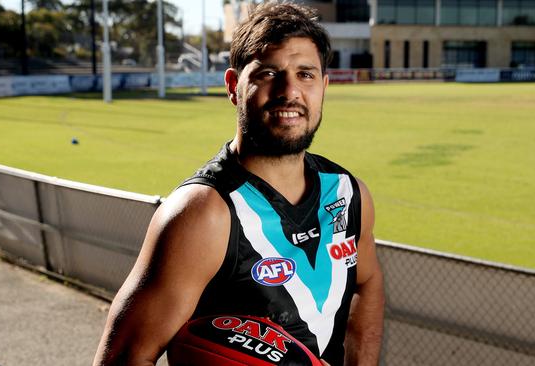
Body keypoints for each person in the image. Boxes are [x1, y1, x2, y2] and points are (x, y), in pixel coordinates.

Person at [92, 2, 384, 365]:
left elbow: (367, 284)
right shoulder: (202, 214)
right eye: (268, 73)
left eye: (305, 74)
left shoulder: (348, 193)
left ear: (324, 86)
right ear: (233, 86)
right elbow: (123, 358)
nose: (289, 91)